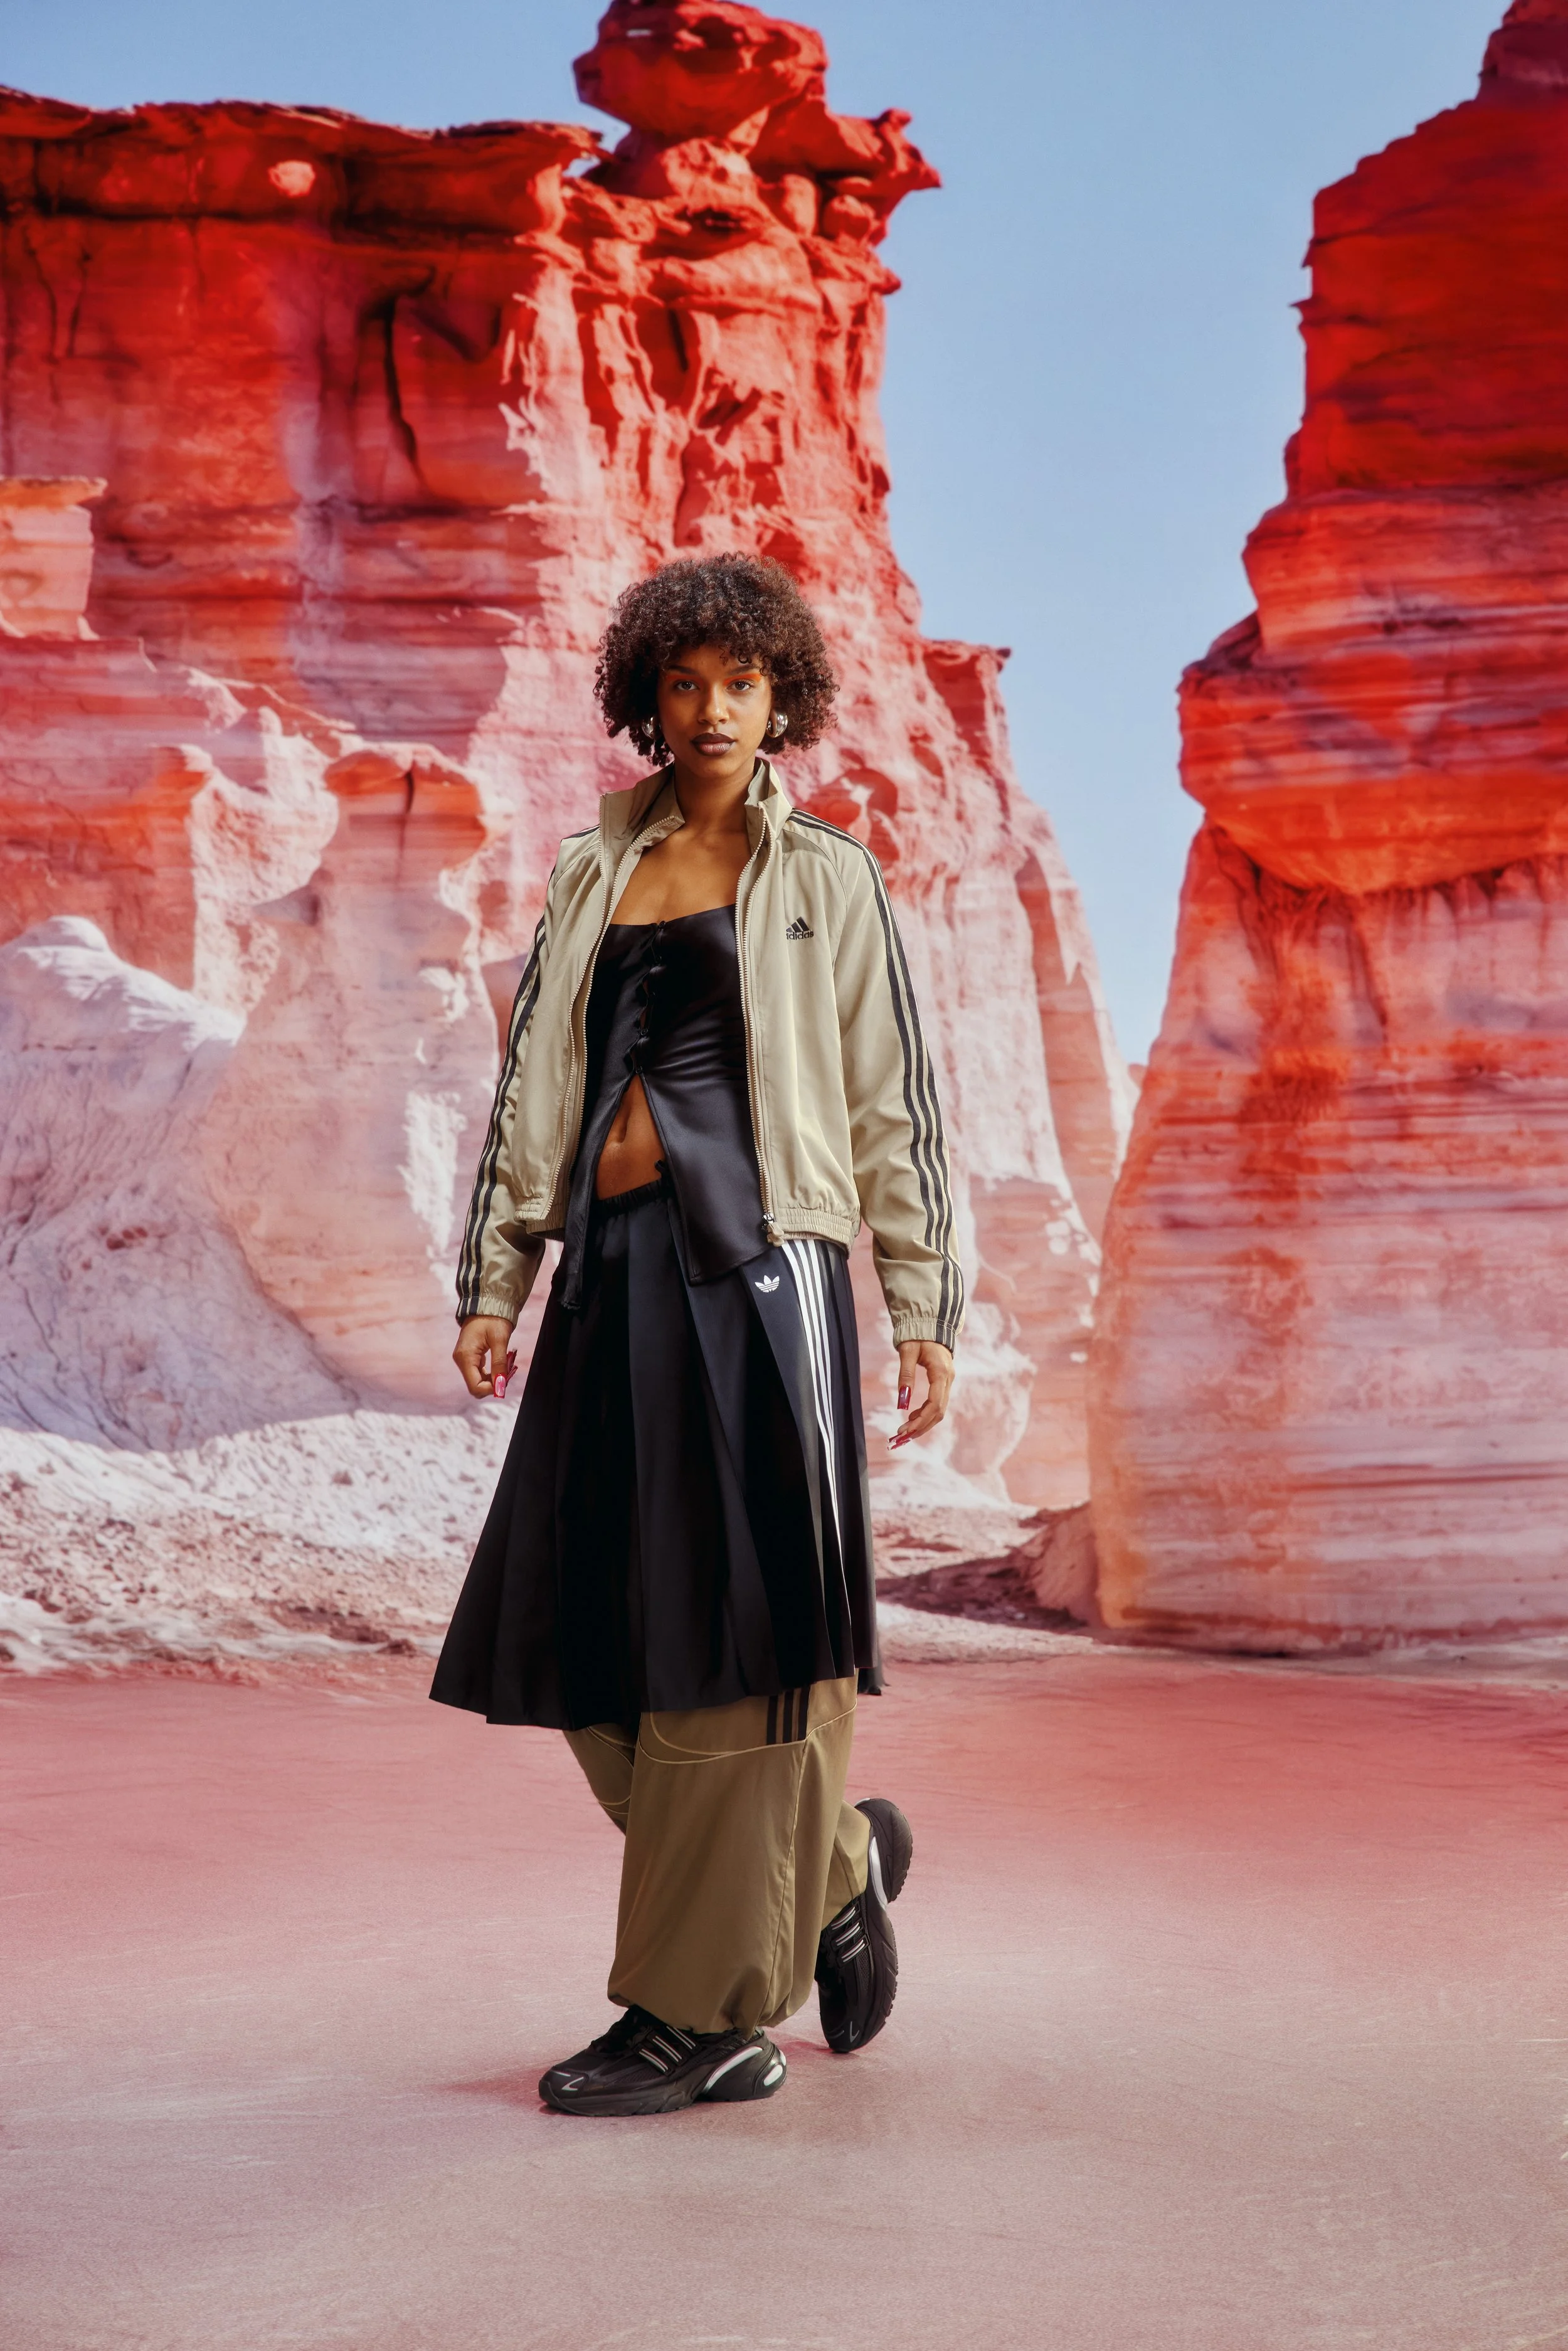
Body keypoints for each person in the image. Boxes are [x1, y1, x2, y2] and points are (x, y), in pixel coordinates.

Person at [431, 552, 961, 2117]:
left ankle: (702, 2014)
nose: (713, 706)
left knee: (736, 1646)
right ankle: (835, 1865)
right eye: (683, 680)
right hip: (608, 1281)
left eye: (741, 680)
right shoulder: (591, 875)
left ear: (781, 696)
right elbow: (534, 1081)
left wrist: (923, 1299)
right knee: (587, 1632)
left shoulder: (828, 878)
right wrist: (497, 1274)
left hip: (757, 1283)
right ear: (643, 702)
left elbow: (892, 1101)